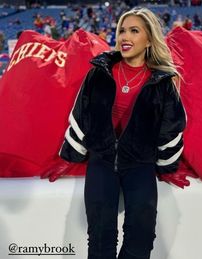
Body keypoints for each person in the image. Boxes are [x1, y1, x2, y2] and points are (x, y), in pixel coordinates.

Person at [41, 7, 188, 259]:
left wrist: (168, 166)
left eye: (134, 31)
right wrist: (69, 158)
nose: (124, 37)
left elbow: (171, 127)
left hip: (140, 165)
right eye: (121, 30)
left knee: (141, 239)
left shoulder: (163, 82)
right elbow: (81, 115)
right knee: (99, 239)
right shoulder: (99, 73)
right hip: (102, 163)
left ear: (149, 39)